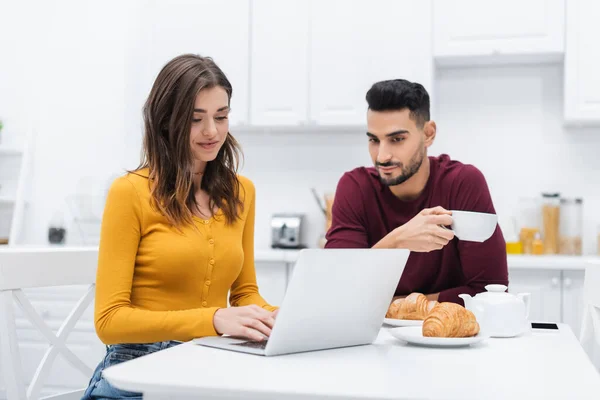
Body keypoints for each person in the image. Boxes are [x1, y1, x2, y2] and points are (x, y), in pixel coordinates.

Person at [82, 54, 277, 399]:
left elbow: (245, 293)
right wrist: (214, 319)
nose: (211, 131)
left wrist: (284, 317)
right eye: (195, 119)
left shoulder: (241, 191)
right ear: (166, 121)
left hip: (208, 365)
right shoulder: (130, 192)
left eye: (221, 116)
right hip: (134, 371)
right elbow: (109, 322)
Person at [325, 79, 508, 304]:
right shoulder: (355, 187)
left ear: (428, 134)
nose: (382, 156)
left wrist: (395, 305)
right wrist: (398, 241)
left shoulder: (463, 183)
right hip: (371, 336)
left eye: (397, 139)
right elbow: (336, 287)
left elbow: (489, 292)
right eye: (374, 140)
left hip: (451, 335)